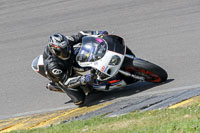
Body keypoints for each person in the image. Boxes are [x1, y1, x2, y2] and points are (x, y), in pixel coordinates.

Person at [43, 31, 108, 106]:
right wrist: (83, 79)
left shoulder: (66, 41)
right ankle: (56, 85)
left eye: (66, 48)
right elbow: (66, 81)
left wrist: (99, 33)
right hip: (62, 75)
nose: (64, 52)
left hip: (70, 59)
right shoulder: (53, 66)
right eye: (61, 51)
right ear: (53, 50)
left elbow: (81, 35)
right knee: (79, 100)